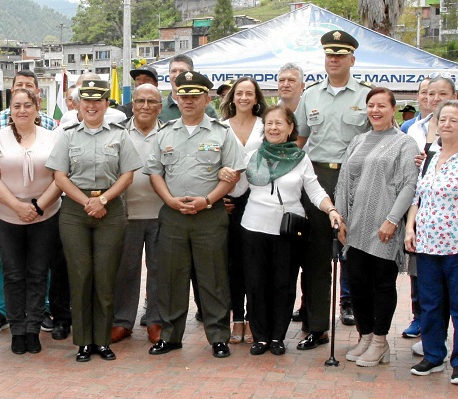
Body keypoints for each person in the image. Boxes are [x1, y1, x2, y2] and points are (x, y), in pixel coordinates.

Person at [144, 70, 244, 359]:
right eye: (183, 95)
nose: (188, 100)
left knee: (212, 278)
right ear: (176, 97)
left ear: (206, 98)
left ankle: (218, 337)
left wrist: (208, 200)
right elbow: (155, 173)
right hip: (173, 215)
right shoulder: (165, 133)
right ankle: (171, 336)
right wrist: (170, 201)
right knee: (172, 278)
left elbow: (232, 174)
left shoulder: (222, 133)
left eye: (195, 95)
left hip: (209, 215)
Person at [231, 105, 340, 355]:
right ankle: (260, 336)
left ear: (290, 128)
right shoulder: (252, 157)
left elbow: (314, 191)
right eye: (269, 123)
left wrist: (331, 210)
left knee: (283, 284)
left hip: (287, 231)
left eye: (279, 123)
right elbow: (237, 192)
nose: (273, 128)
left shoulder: (301, 159)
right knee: (256, 285)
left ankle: (278, 337)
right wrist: (228, 179)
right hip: (253, 227)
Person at [47, 79, 141, 362]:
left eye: (97, 100)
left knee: (105, 274)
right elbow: (60, 176)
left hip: (110, 208)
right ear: (77, 104)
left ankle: (102, 340)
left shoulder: (120, 134)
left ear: (105, 104)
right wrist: (86, 201)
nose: (91, 106)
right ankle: (83, 342)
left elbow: (128, 174)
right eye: (85, 101)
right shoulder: (67, 135)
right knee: (80, 274)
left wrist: (102, 200)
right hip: (75, 210)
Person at [293, 30, 372, 349]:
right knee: (315, 258)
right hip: (317, 178)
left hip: (356, 179)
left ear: (352, 59)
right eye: (329, 55)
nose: (335, 59)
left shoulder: (366, 96)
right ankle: (316, 327)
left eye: (341, 55)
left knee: (359, 256)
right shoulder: (310, 95)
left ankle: (369, 330)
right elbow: (298, 140)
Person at [334, 87, 418, 367]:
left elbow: (409, 184)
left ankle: (380, 342)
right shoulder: (358, 140)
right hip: (355, 226)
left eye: (382, 105)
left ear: (394, 109)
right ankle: (365, 336)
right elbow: (344, 181)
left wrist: (392, 219)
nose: (376, 110)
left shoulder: (404, 143)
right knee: (357, 284)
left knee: (381, 284)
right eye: (371, 105)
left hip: (384, 225)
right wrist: (341, 218)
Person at [403, 100, 458, 384]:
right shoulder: (428, 158)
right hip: (426, 246)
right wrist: (409, 228)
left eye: (453, 120)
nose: (446, 124)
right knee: (430, 303)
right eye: (442, 120)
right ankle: (433, 355)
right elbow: (417, 198)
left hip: (457, 247)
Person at [0, 87, 62, 355]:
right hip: (6, 214)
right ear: (10, 110)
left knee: (39, 272)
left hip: (46, 214)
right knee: (13, 272)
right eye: (16, 106)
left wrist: (37, 207)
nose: (21, 111)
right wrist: (18, 206)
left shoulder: (52, 137)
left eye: (27, 105)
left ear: (36, 107)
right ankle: (17, 329)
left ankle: (33, 328)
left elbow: (59, 178)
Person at [403, 76, 458, 340]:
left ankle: (453, 341)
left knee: (455, 289)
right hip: (421, 208)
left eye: (441, 94)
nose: (434, 99)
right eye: (429, 93)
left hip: (454, 224)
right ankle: (422, 322)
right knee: (420, 275)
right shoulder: (412, 128)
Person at [111, 84, 165, 344]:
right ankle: (122, 321)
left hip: (161, 213)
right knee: (125, 270)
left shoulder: (169, 134)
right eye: (140, 101)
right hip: (126, 214)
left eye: (151, 101)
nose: (145, 106)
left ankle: (156, 320)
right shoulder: (118, 133)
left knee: (159, 269)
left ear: (160, 107)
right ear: (132, 105)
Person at [220, 77, 266, 344]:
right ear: (233, 97)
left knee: (254, 263)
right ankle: (237, 319)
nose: (244, 98)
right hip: (229, 202)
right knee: (233, 264)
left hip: (258, 201)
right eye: (240, 93)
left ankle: (252, 318)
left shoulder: (265, 126)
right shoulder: (221, 128)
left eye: (250, 93)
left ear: (257, 98)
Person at [158, 55, 219, 122]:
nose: (177, 75)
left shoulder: (207, 108)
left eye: (182, 71)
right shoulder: (159, 108)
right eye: (174, 71)